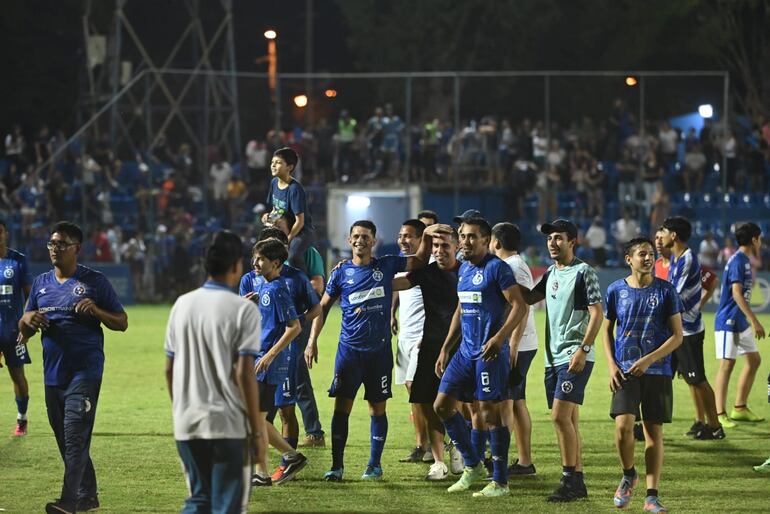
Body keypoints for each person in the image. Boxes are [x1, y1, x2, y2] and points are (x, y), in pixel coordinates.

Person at [308, 219, 450, 482]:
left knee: (377, 409)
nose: (360, 241)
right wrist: (311, 340)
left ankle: (374, 465)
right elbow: (323, 306)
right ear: (349, 241)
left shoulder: (386, 266)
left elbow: (418, 261)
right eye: (356, 236)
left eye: (366, 237)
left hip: (379, 353)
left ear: (374, 242)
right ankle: (337, 466)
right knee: (342, 408)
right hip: (349, 352)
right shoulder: (340, 273)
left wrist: (428, 235)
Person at [19, 221, 128, 514]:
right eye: (52, 244)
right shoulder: (41, 284)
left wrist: (97, 310)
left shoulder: (95, 281)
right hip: (53, 374)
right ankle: (89, 495)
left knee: (75, 436)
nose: (55, 249)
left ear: (77, 249)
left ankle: (68, 502)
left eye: (61, 244)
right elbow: (24, 326)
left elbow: (122, 322)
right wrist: (28, 322)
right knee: (66, 440)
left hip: (85, 372)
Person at [165, 231, 262, 513]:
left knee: (199, 500)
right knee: (228, 507)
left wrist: (182, 410)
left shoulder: (181, 305)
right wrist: (256, 434)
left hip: (188, 421)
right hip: (227, 424)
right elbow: (245, 374)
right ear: (235, 266)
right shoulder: (244, 310)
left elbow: (169, 370)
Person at [433, 217, 527, 498]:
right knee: (441, 406)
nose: (465, 241)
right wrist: (446, 348)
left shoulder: (497, 269)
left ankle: (500, 481)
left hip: (488, 353)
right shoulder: (463, 270)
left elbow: (519, 307)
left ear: (487, 241)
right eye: (462, 236)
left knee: (488, 415)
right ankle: (472, 464)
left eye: (472, 237)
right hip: (464, 352)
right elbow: (461, 310)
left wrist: (500, 338)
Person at [520, 219, 603, 502]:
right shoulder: (551, 273)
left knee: (559, 417)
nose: (552, 243)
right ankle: (577, 482)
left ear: (572, 242)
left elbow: (597, 313)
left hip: (574, 355)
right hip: (552, 358)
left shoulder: (584, 272)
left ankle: (569, 480)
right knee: (568, 421)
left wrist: (584, 348)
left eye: (558, 238)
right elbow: (529, 298)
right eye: (549, 239)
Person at [602, 237, 683, 513]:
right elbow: (606, 330)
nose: (648, 258)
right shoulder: (615, 290)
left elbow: (677, 336)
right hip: (624, 371)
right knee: (624, 427)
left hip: (657, 369)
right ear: (629, 259)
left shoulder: (666, 291)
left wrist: (648, 360)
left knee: (653, 431)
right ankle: (628, 474)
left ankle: (651, 496)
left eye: (651, 254)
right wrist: (612, 366)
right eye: (642, 254)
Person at [240, 231, 321, 483]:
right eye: (254, 258)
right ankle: (265, 470)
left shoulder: (278, 288)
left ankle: (286, 457)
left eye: (260, 259)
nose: (255, 264)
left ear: (276, 263)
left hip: (270, 361)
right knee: (256, 418)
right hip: (260, 356)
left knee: (257, 417)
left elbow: (294, 326)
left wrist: (271, 354)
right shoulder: (263, 285)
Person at [392, 227, 463, 480]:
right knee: (427, 403)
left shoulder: (466, 272)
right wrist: (368, 274)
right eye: (435, 246)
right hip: (430, 346)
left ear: (457, 247)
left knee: (462, 404)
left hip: (461, 347)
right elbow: (399, 283)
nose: (439, 251)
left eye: (445, 246)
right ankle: (438, 462)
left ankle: (460, 445)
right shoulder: (426, 273)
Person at [259, 225, 326, 448]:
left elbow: (317, 301)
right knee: (264, 403)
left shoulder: (296, 274)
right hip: (261, 347)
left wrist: (299, 326)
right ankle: (274, 445)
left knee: (292, 392)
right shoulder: (254, 278)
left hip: (287, 343)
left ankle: (301, 444)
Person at [659, 216, 724, 440]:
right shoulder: (677, 259)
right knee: (689, 378)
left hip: (689, 331)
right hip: (680, 330)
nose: (662, 236)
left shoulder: (687, 260)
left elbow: (672, 295)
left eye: (664, 232)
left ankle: (715, 426)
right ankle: (701, 422)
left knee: (698, 379)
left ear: (673, 235)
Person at [489, 222, 538, 477]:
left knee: (508, 402)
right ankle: (523, 462)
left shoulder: (513, 267)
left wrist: (513, 344)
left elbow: (524, 306)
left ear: (496, 242)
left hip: (519, 344)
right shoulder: (514, 265)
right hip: (518, 342)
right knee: (516, 401)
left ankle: (501, 459)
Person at [713, 223, 766, 428]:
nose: (760, 242)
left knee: (754, 360)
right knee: (727, 365)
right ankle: (719, 413)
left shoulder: (743, 260)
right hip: (729, 321)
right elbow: (736, 293)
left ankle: (740, 408)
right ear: (754, 239)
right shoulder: (737, 261)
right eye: (759, 238)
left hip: (739, 321)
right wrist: (755, 320)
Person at [391, 220, 431, 463]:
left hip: (422, 337)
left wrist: (429, 334)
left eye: (409, 236)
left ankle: (446, 440)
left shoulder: (429, 265)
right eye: (400, 235)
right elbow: (396, 287)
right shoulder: (401, 263)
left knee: (415, 387)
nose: (403, 240)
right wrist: (391, 313)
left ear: (421, 240)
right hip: (405, 336)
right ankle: (421, 445)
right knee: (413, 394)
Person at [0, 219, 33, 436]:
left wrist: (26, 326)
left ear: (5, 234)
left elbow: (30, 296)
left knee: (17, 376)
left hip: (13, 331)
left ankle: (22, 418)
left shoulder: (18, 261)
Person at [264, 147, 315, 273]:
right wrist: (268, 217)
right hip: (284, 230)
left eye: (279, 163)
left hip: (301, 232)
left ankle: (304, 284)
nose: (273, 165)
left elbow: (300, 221)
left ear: (290, 167)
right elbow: (276, 210)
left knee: (292, 257)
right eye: (272, 162)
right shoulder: (274, 183)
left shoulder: (294, 189)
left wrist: (287, 239)